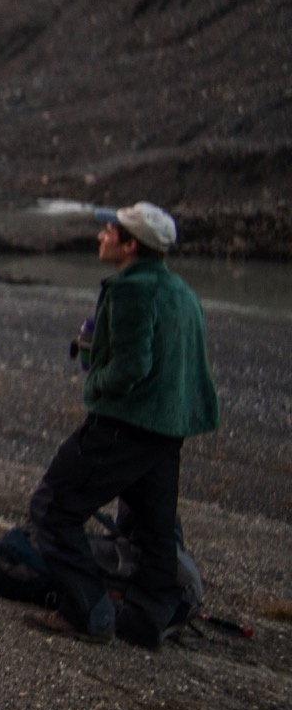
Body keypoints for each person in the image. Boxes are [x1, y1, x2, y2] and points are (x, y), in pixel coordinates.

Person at [25, 201, 219, 647]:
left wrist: (97, 380)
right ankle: (146, 621)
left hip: (123, 425)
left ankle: (87, 612)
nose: (100, 236)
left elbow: (132, 367)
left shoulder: (131, 290)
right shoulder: (182, 292)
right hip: (168, 431)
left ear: (131, 244)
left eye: (109, 231)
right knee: (153, 531)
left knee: (53, 509)